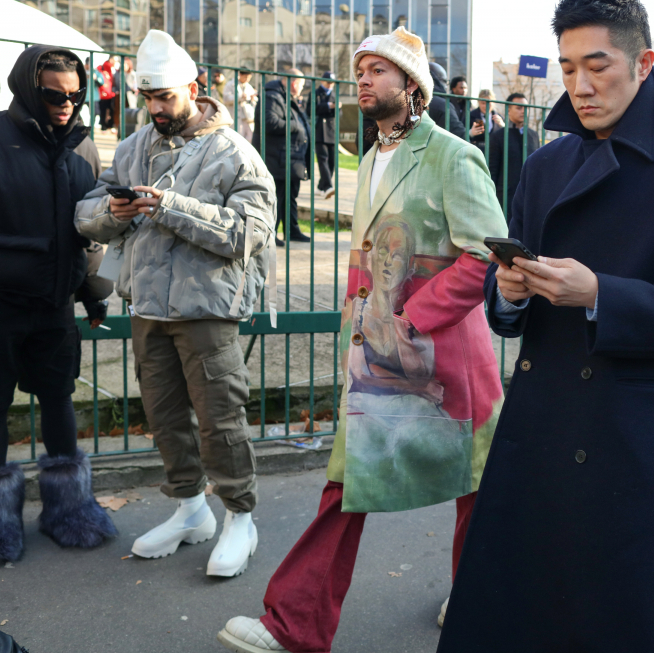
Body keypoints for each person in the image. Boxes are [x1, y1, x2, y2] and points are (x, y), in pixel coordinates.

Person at [438, 1, 654, 651]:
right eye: (568, 68)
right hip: (542, 432)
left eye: (597, 66)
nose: (580, 86)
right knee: (527, 619)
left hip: (639, 446)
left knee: (625, 623)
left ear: (644, 64)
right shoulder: (546, 165)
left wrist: (599, 293)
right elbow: (505, 308)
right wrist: (512, 289)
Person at [216, 26, 508, 653]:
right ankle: (295, 625)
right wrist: (356, 322)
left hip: (449, 358)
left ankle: (479, 598)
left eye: (379, 70)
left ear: (412, 86)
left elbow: (485, 256)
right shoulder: (370, 156)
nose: (364, 80)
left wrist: (408, 318)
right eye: (362, 70)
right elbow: (368, 252)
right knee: (347, 483)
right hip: (376, 358)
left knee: (479, 489)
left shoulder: (454, 155)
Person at [74, 30, 277, 578]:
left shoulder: (235, 151)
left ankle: (240, 516)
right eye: (147, 97)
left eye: (165, 96)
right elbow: (86, 212)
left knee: (220, 420)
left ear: (193, 87)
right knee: (164, 418)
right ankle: (191, 509)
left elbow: (247, 234)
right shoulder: (136, 145)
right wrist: (113, 213)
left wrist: (168, 207)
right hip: (147, 308)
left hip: (208, 310)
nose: (155, 108)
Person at [0, 47, 118, 568]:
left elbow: (86, 232)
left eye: (75, 94)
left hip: (54, 306)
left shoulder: (83, 148)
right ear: (28, 88)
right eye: (52, 94)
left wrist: (91, 292)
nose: (66, 104)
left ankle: (72, 511)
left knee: (59, 400)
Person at [253, 69, 312, 245]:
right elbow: (269, 122)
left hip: (290, 157)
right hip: (278, 158)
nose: (301, 88)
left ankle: (291, 230)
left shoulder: (286, 97)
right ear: (293, 83)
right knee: (277, 197)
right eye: (301, 84)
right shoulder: (273, 96)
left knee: (290, 196)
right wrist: (296, 126)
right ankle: (271, 233)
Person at [487, 92, 540, 223]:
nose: (523, 111)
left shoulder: (533, 135)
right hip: (505, 197)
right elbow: (492, 169)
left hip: (530, 196)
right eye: (518, 107)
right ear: (508, 110)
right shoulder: (498, 136)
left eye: (525, 108)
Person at [307, 71, 338, 200]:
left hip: (331, 131)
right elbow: (310, 109)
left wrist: (336, 108)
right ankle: (328, 187)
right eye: (328, 82)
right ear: (322, 82)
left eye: (332, 83)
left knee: (332, 162)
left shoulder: (335, 95)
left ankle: (321, 186)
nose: (330, 85)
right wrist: (327, 106)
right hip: (319, 131)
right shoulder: (315, 93)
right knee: (323, 160)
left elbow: (338, 114)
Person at [427, 62, 464, 137]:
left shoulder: (409, 101)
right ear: (437, 80)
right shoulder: (444, 105)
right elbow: (459, 133)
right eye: (445, 81)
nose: (447, 87)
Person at [223, 69, 258, 142]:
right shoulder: (230, 85)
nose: (247, 80)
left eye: (249, 78)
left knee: (249, 138)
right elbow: (226, 98)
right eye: (245, 77)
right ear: (240, 75)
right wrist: (240, 96)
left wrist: (253, 98)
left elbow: (254, 101)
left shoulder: (249, 86)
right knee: (237, 138)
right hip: (235, 116)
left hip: (247, 117)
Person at [96, 55, 118, 132]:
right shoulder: (102, 68)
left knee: (112, 110)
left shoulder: (114, 69)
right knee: (103, 110)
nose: (116, 62)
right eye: (115, 60)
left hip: (112, 93)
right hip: (104, 93)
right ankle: (103, 126)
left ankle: (110, 125)